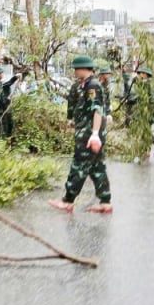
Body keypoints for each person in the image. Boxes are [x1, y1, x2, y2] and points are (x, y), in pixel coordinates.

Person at [50, 55, 112, 213]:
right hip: (86, 132)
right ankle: (105, 202)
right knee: (97, 167)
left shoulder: (93, 86)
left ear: (83, 68)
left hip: (89, 134)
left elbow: (97, 110)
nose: (75, 72)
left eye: (76, 69)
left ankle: (68, 200)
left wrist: (95, 134)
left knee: (79, 165)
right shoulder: (82, 85)